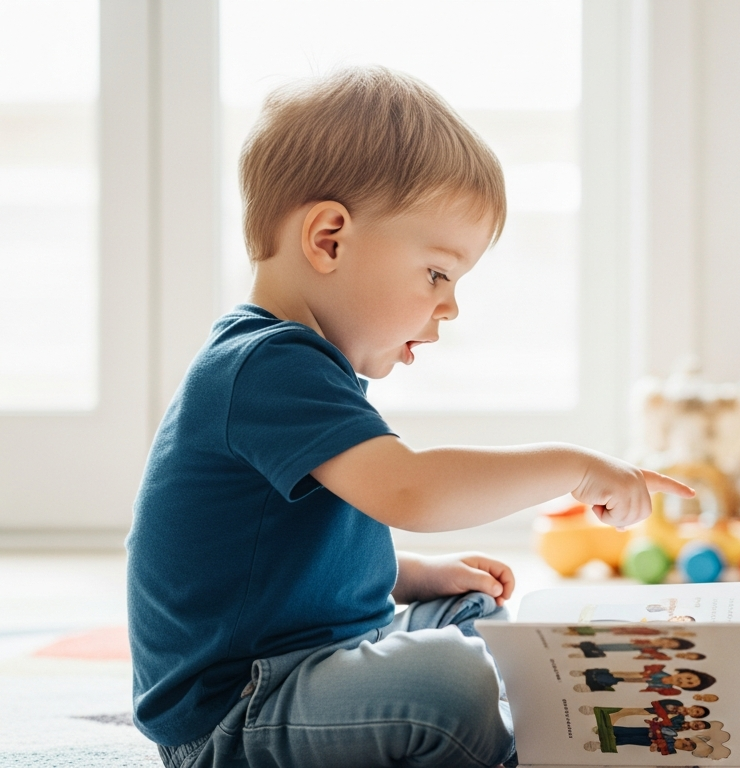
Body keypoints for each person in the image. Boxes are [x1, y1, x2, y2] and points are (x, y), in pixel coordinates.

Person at [125, 66, 693, 768]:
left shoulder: (297, 363)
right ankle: (511, 745)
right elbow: (411, 490)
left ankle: (502, 730)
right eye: (437, 274)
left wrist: (413, 576)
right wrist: (573, 466)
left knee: (472, 615)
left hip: (300, 662)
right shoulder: (266, 366)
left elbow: (278, 559)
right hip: (234, 715)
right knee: (451, 678)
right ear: (329, 238)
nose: (450, 305)